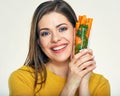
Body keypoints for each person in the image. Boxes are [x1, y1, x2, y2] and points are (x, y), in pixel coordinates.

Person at [8, 0, 110, 96]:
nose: (55, 39)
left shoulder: (100, 84)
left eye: (62, 29)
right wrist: (71, 84)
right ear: (38, 41)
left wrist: (83, 84)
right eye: (45, 33)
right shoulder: (22, 78)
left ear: (76, 31)